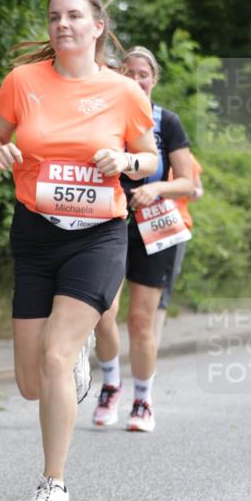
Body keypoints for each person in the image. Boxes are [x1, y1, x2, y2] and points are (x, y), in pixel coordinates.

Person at [0, 0, 159, 501]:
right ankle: (73, 360)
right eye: (55, 16)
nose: (63, 24)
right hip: (36, 233)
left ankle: (53, 487)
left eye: (75, 15)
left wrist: (124, 162)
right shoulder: (23, 81)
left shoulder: (123, 91)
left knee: (54, 355)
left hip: (98, 236)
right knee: (30, 383)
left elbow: (149, 158)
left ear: (97, 26)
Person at [93, 46, 193, 432]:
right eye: (128, 73)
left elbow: (187, 182)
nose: (135, 80)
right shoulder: (104, 116)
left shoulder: (167, 121)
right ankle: (110, 385)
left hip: (155, 222)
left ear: (154, 79)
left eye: (143, 74)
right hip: (111, 219)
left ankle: (143, 400)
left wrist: (158, 188)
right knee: (103, 311)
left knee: (140, 320)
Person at [154, 155, 203, 347]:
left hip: (175, 224)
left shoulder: (186, 158)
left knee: (165, 281)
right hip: (145, 222)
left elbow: (198, 190)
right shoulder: (147, 152)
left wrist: (192, 192)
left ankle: (154, 344)